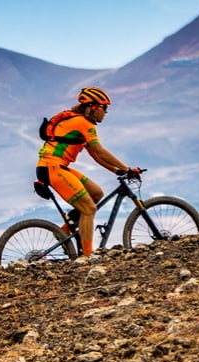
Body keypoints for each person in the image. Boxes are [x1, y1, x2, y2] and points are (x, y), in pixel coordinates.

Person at [36, 86, 142, 257]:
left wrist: (117, 172)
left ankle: (63, 232)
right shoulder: (83, 123)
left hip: (56, 167)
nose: (106, 112)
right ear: (93, 107)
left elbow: (96, 156)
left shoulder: (81, 123)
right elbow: (100, 151)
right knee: (89, 209)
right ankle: (87, 256)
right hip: (52, 167)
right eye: (104, 108)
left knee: (97, 193)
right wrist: (126, 168)